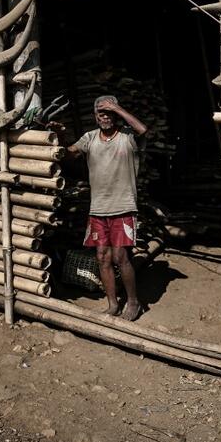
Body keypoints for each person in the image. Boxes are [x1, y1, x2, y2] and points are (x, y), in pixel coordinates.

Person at [58, 95, 148, 320]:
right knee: (102, 257)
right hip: (98, 208)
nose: (105, 117)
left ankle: (134, 302)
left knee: (121, 256)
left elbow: (144, 130)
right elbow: (69, 155)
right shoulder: (89, 138)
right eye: (101, 113)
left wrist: (117, 107)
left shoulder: (127, 136)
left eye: (110, 113)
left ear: (117, 115)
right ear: (95, 117)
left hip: (123, 206)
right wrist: (59, 135)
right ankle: (112, 304)